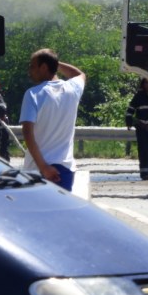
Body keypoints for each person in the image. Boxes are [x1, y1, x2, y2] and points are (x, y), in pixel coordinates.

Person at [19, 49, 86, 192]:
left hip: (37, 169)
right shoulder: (72, 89)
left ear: (44, 67)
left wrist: (43, 167)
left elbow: (27, 134)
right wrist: (54, 63)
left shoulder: (33, 94)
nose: (29, 71)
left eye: (32, 66)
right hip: (65, 169)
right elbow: (80, 74)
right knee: (60, 207)